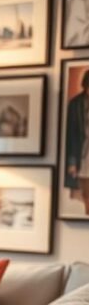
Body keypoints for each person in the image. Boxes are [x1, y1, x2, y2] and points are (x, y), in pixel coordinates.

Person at [65, 68, 89, 214]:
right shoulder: (75, 104)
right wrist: (72, 162)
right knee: (84, 186)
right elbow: (71, 135)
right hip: (82, 152)